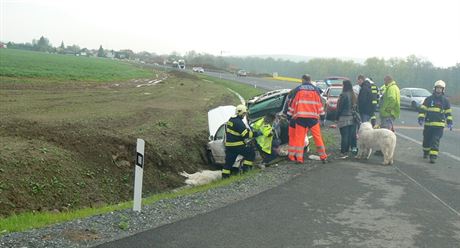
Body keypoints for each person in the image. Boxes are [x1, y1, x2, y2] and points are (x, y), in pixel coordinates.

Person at [287, 74, 327, 163]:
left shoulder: (298, 90)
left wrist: (289, 116)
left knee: (299, 139)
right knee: (318, 138)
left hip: (300, 118)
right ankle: (323, 156)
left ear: (303, 80)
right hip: (313, 119)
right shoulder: (316, 91)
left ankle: (299, 159)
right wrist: (322, 117)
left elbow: (292, 105)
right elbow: (320, 105)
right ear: (310, 80)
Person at [418, 80, 454, 164]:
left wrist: (449, 122)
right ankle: (426, 152)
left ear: (443, 90)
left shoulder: (445, 101)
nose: (439, 90)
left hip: (439, 126)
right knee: (426, 140)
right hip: (428, 124)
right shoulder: (428, 99)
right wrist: (421, 118)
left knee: (435, 140)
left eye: (440, 88)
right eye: (437, 88)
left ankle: (433, 156)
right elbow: (422, 110)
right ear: (434, 89)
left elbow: (448, 113)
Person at [222, 104, 255, 178]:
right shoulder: (239, 122)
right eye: (244, 113)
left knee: (228, 163)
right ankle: (246, 171)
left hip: (229, 146)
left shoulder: (231, 120)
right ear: (241, 113)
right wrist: (256, 133)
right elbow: (246, 135)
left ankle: (224, 177)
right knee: (251, 153)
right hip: (237, 145)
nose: (244, 115)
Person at [336, 80, 358, 158]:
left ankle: (344, 151)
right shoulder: (354, 94)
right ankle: (352, 150)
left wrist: (337, 116)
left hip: (344, 118)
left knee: (344, 136)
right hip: (353, 118)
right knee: (351, 135)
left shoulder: (343, 95)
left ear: (344, 86)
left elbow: (340, 107)